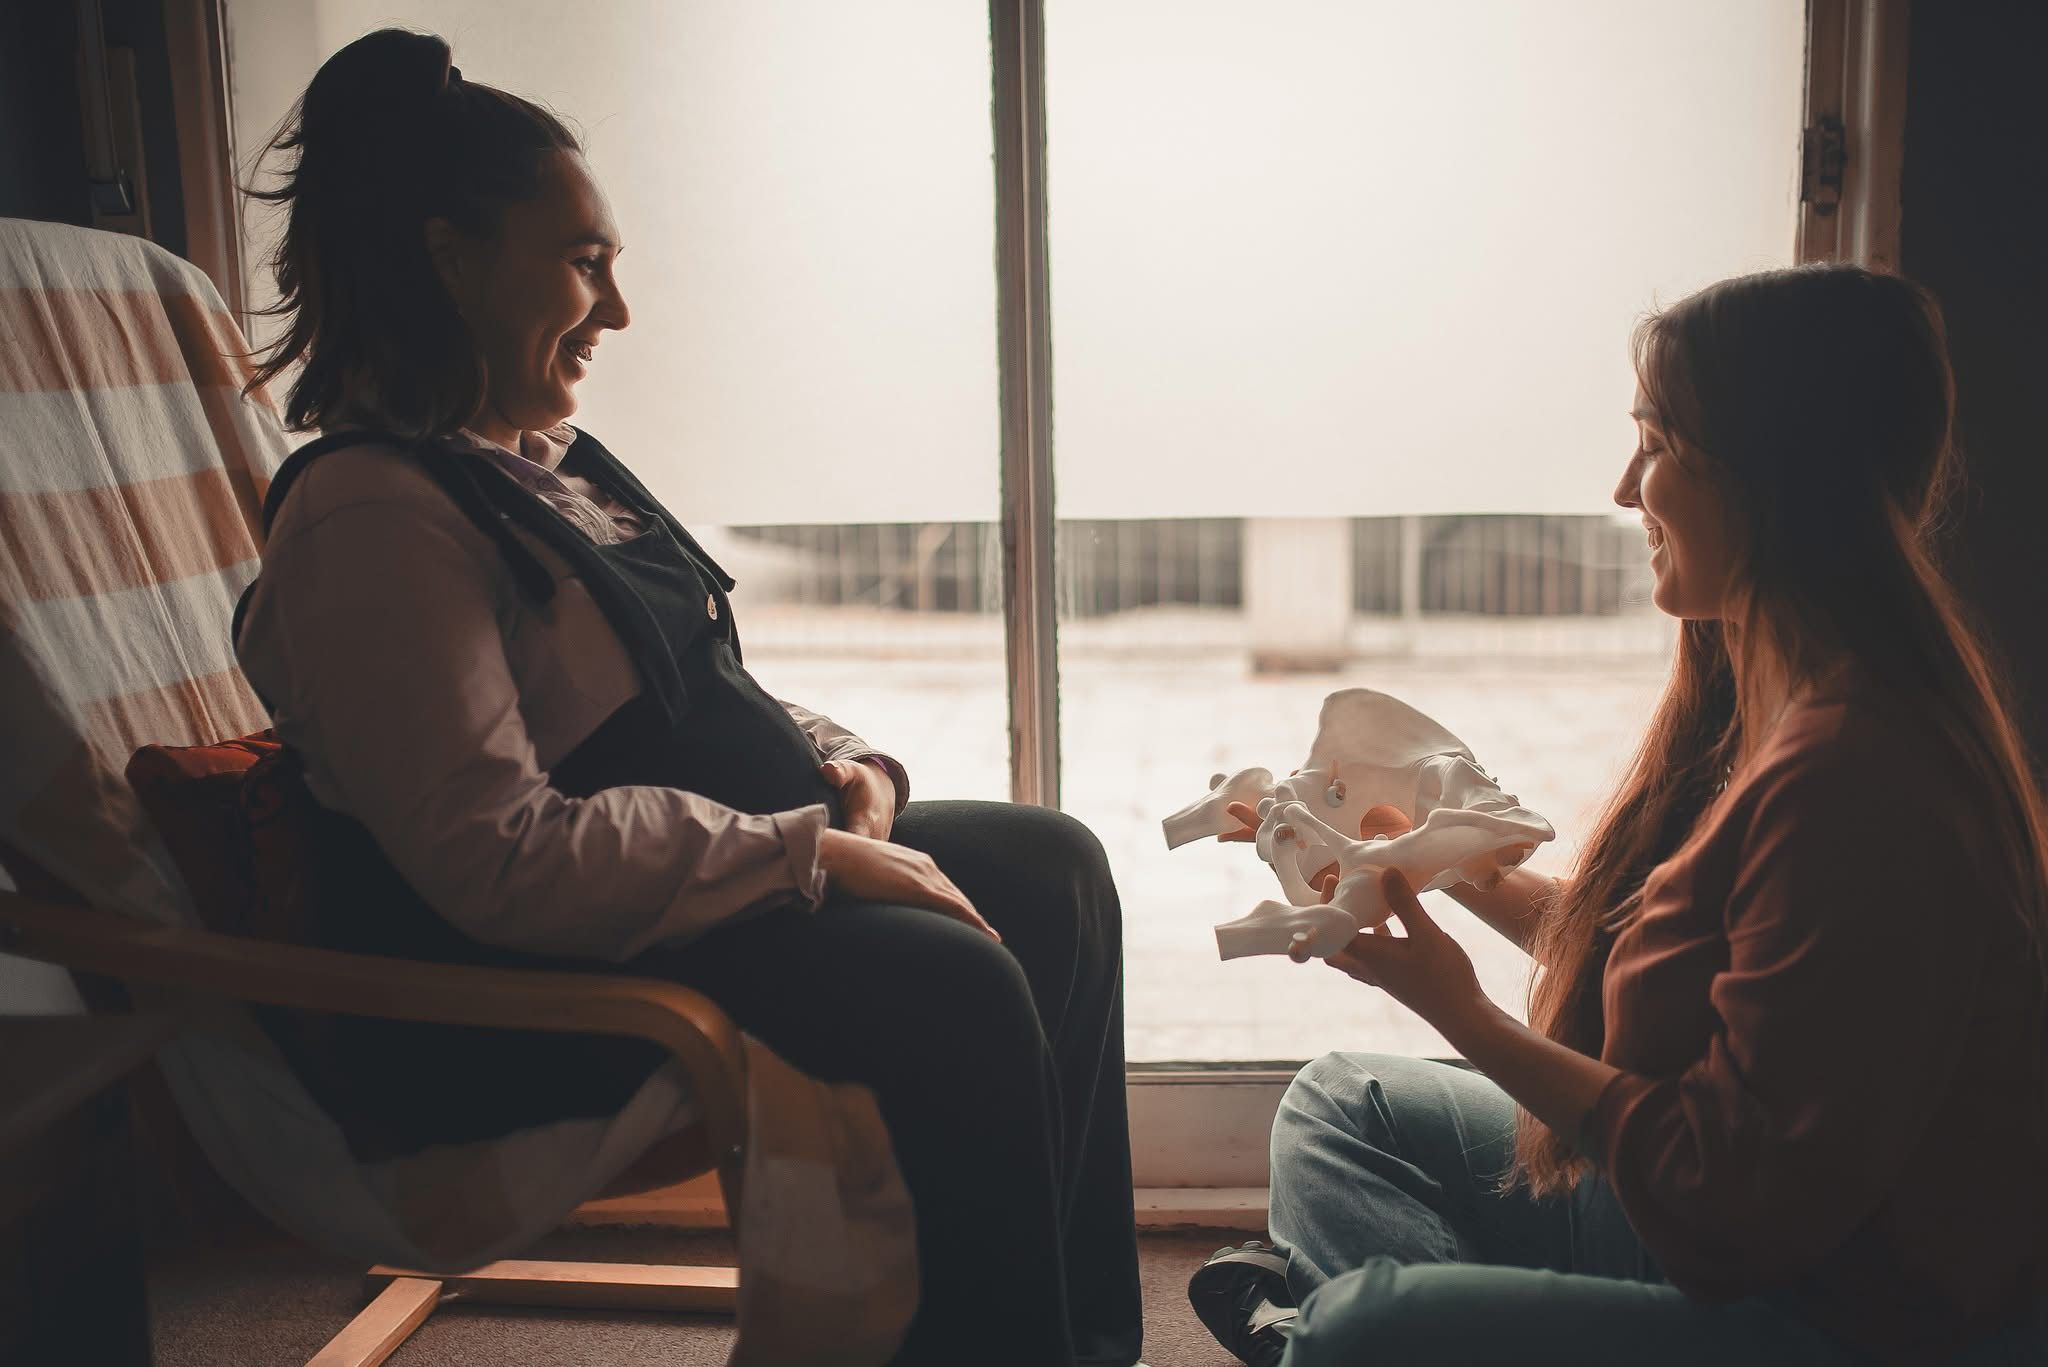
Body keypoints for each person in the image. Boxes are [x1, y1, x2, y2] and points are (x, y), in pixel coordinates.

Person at [232, 29, 1142, 1367]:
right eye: (585, 261)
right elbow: (495, 857)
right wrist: (808, 850)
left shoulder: (537, 463)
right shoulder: (371, 517)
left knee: (1055, 869)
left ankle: (1063, 1343)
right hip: (518, 993)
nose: (618, 309)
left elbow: (704, 684)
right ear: (450, 260)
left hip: (700, 889)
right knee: (951, 980)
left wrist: (853, 770)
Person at [1192, 265, 2048, 1366]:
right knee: (1336, 1102)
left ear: (1766, 474)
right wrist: (1430, 856)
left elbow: (1725, 1202)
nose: (1621, 488)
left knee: (1368, 1326)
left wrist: (1468, 1017)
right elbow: (1664, 970)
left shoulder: (1855, 778)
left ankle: (1335, 1330)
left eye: (1654, 443)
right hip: (1686, 1224)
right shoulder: (1781, 688)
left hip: (1807, 1306)